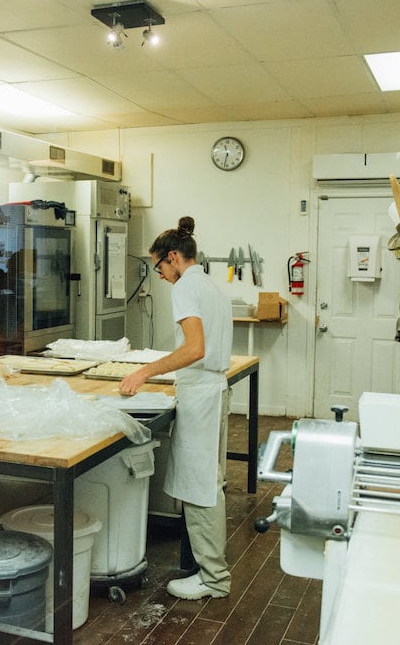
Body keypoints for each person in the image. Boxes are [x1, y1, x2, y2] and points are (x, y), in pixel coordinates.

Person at [119, 216, 233, 600]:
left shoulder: (185, 286)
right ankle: (212, 571)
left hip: (202, 395)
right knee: (209, 484)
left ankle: (213, 578)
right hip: (213, 389)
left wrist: (146, 372)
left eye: (158, 267)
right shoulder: (210, 285)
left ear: (173, 258)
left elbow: (194, 349)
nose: (160, 276)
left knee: (200, 488)